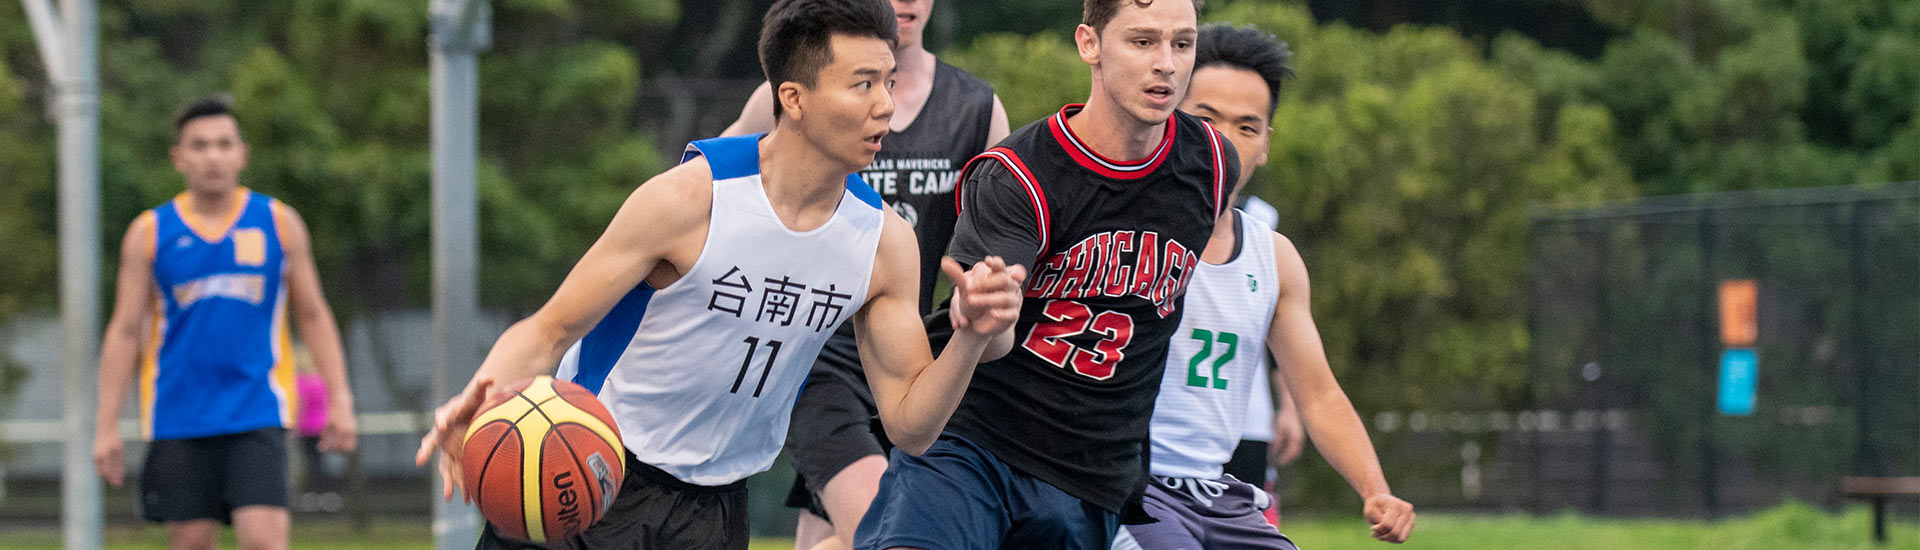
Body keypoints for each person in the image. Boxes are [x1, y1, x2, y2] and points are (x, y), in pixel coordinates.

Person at [413, 1, 1028, 548]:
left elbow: (910, 427)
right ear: (793, 97)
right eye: (863, 84)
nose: (886, 107)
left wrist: (970, 337)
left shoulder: (884, 244)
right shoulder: (688, 200)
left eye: (889, 82)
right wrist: (484, 394)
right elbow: (548, 330)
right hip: (590, 464)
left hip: (714, 509)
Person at [853, 1, 1241, 548]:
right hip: (974, 445)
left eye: (1182, 44)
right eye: (1142, 42)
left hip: (1089, 473)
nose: (1167, 64)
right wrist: (982, 320)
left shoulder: (1214, 166)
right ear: (1090, 44)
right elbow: (992, 336)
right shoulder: (1021, 174)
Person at [1111, 24, 1416, 549]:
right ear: (1168, 115)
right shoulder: (1112, 227)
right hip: (1127, 490)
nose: (1225, 140)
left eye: (1247, 127)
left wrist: (1375, 489)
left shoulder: (1275, 257)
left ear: (1266, 145)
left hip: (1219, 493)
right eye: (1206, 118)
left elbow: (1318, 395)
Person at [722, 2, 1010, 547]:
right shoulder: (787, 94)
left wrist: (986, 311)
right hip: (816, 357)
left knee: (829, 535)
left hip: (906, 355)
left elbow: (999, 245)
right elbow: (706, 185)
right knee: (879, 526)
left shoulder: (976, 108)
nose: (906, 3)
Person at [93, 95, 359, 550]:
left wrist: (341, 399)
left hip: (257, 407)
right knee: (193, 543)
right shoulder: (150, 232)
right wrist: (105, 424)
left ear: (242, 153)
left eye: (223, 144)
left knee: (264, 541)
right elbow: (123, 329)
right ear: (179, 158)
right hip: (178, 413)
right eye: (199, 145)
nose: (212, 156)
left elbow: (313, 314)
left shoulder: (278, 223)